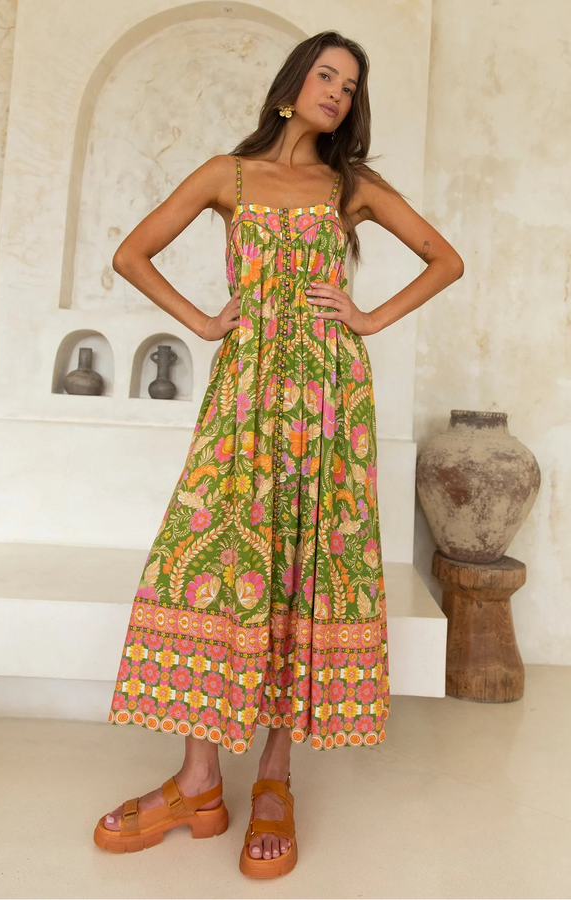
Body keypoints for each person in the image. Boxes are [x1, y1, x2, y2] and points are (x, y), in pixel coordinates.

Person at [92, 29, 464, 878]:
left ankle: (273, 779)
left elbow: (445, 259)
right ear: (291, 86)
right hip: (246, 396)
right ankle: (198, 782)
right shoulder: (227, 176)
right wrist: (202, 321)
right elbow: (130, 253)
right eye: (325, 75)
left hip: (329, 403)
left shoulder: (351, 185)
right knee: (210, 561)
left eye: (350, 85)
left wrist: (367, 318)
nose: (337, 91)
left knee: (304, 570)